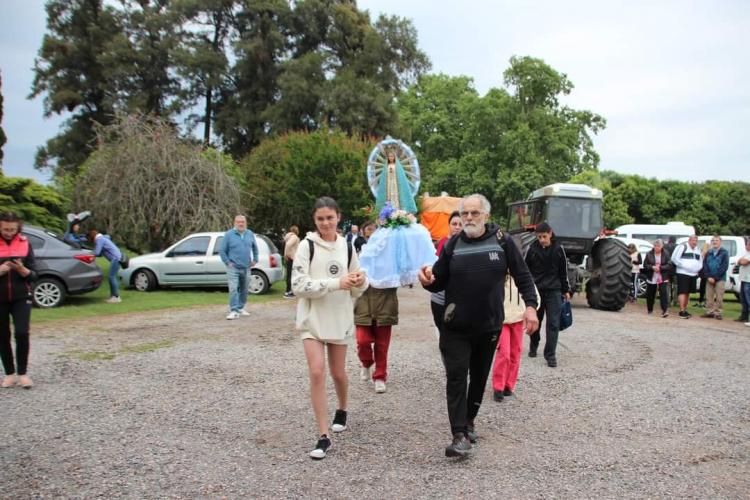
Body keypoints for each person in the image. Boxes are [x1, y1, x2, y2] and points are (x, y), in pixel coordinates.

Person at [418, 194, 538, 458]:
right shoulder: (452, 245)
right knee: (457, 376)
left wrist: (530, 306)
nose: (469, 218)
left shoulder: (503, 242)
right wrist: (428, 281)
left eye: (474, 213)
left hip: (488, 325)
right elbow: (439, 280)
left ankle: (469, 421)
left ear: (486, 215)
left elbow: (523, 276)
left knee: (479, 377)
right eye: (465, 214)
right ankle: (458, 434)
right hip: (455, 326)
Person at [292, 197, 368, 460]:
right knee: (316, 372)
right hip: (312, 320)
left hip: (339, 318)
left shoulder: (348, 248)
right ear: (314, 221)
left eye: (330, 218)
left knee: (338, 372)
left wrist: (360, 281)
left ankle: (343, 408)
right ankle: (323, 436)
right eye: (320, 219)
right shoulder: (306, 246)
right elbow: (299, 285)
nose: (325, 223)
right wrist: (337, 283)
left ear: (338, 217)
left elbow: (358, 286)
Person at [354, 222, 396, 394]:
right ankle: (366, 362)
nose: (372, 236)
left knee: (382, 344)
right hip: (363, 304)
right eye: (368, 233)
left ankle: (380, 376)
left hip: (385, 304)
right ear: (364, 236)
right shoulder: (358, 256)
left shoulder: (391, 256)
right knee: (362, 340)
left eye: (375, 233)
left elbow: (399, 276)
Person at [524, 222, 571, 367]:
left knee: (553, 323)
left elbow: (563, 271)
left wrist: (566, 290)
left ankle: (550, 355)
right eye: (539, 237)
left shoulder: (559, 249)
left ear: (550, 233)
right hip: (537, 291)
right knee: (535, 321)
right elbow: (525, 270)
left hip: (554, 291)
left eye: (544, 236)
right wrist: (526, 290)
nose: (542, 240)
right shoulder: (532, 248)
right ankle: (533, 346)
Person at [0, 212, 37, 388]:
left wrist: (24, 271)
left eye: (12, 229)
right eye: (5, 229)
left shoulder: (25, 243)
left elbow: (34, 274)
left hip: (22, 296)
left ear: (18, 228)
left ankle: (23, 373)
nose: (9, 232)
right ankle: (9, 373)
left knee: (22, 332)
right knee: (2, 335)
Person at [491, 275, 539, 402]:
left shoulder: (522, 276)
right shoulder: (499, 277)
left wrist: (531, 309)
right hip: (503, 321)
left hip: (518, 320)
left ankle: (509, 385)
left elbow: (534, 296)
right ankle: (498, 386)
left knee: (515, 353)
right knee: (504, 353)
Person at [219, 215, 258, 320]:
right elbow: (222, 250)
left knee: (245, 289)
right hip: (233, 268)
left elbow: (255, 248)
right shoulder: (228, 235)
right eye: (238, 222)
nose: (241, 224)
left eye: (243, 222)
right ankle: (234, 310)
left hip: (246, 267)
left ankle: (240, 307)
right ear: (235, 223)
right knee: (233, 289)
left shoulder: (250, 234)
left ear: (246, 223)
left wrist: (255, 259)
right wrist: (227, 262)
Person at [430, 211, 462, 334]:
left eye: (460, 224)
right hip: (439, 296)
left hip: (458, 297)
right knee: (442, 328)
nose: (457, 227)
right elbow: (436, 266)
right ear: (449, 225)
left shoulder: (468, 244)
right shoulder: (442, 242)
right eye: (454, 224)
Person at [87, 228, 124, 303]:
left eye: (91, 240)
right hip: (117, 258)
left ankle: (116, 297)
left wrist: (89, 252)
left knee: (112, 277)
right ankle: (113, 296)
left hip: (115, 259)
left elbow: (97, 253)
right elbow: (100, 253)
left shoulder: (99, 240)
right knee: (112, 277)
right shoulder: (103, 238)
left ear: (92, 237)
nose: (92, 242)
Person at [375, 149, 418, 213]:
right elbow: (383, 179)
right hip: (388, 186)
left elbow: (401, 178)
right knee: (389, 198)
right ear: (388, 158)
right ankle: (389, 212)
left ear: (394, 157)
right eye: (389, 156)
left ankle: (397, 212)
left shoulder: (397, 167)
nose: (391, 158)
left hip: (396, 185)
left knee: (396, 198)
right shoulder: (386, 167)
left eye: (392, 156)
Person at [671, 235, 703, 319]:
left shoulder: (697, 250)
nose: (694, 242)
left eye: (696, 241)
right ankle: (681, 310)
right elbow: (674, 258)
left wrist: (698, 268)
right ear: (689, 240)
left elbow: (700, 261)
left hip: (693, 274)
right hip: (683, 273)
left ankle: (684, 309)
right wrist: (684, 266)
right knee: (682, 291)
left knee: (688, 292)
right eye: (693, 240)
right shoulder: (683, 246)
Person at [642, 239, 674, 318]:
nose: (656, 247)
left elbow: (669, 264)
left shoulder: (666, 253)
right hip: (652, 276)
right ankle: (650, 309)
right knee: (650, 294)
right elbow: (645, 265)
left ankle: (664, 310)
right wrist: (652, 267)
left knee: (663, 293)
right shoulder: (649, 254)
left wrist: (661, 268)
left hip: (662, 276)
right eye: (655, 246)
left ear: (662, 246)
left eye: (658, 246)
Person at [701, 235, 729, 320]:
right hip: (709, 278)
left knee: (719, 296)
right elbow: (705, 265)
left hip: (720, 278)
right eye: (713, 240)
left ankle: (718, 313)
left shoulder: (724, 252)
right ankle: (710, 311)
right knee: (709, 296)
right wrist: (708, 276)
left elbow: (724, 266)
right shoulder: (709, 252)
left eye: (716, 240)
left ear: (720, 242)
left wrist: (715, 277)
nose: (715, 242)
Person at [283, 225, 300, 299]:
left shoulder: (288, 236)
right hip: (292, 257)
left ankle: (289, 291)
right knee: (291, 275)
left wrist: (285, 254)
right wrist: (286, 254)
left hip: (289, 257)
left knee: (289, 274)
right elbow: (288, 244)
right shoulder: (294, 237)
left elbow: (287, 245)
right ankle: (288, 292)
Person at [737, 237, 750, 325]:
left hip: (749, 280)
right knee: (743, 298)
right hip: (743, 278)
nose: (746, 245)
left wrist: (742, 261)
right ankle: (744, 316)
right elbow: (739, 261)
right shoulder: (747, 253)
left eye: (748, 244)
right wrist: (741, 261)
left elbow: (744, 262)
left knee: (748, 298)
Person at [664, 236, 678, 306]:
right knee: (676, 286)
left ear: (669, 240)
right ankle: (675, 301)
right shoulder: (678, 246)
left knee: (667, 285)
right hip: (676, 269)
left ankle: (668, 301)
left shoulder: (665, 246)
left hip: (667, 269)